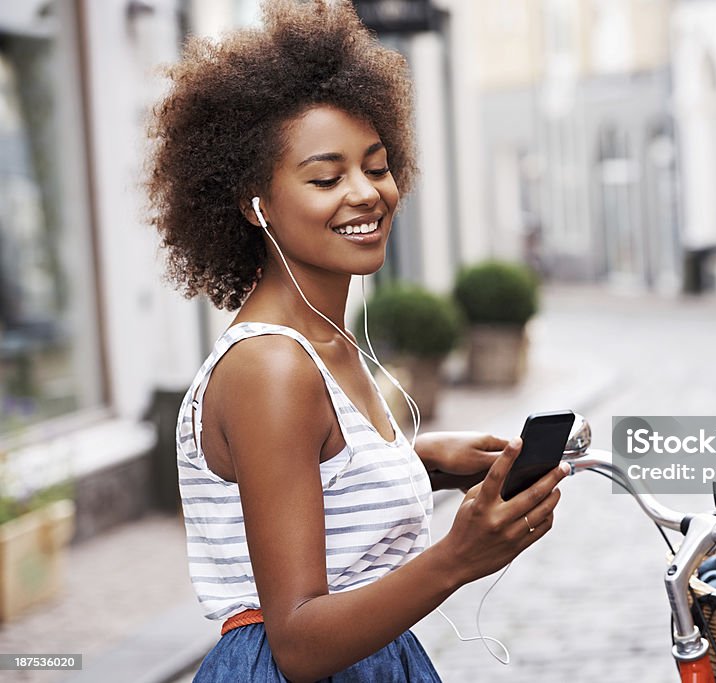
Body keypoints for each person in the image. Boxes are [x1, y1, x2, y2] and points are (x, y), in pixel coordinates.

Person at [146, 2, 567, 681]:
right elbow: (300, 643)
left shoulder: (325, 341)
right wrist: (458, 555)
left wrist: (427, 462)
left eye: (376, 165)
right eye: (325, 177)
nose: (366, 193)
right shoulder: (271, 366)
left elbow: (313, 480)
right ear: (256, 202)